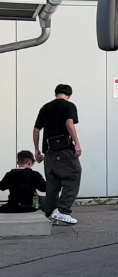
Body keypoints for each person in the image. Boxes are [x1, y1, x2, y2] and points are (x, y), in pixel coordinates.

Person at [34, 84, 81, 225]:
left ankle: (51, 211)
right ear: (69, 95)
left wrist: (36, 150)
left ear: (55, 93)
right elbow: (69, 123)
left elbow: (36, 129)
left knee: (52, 182)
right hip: (64, 150)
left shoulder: (45, 107)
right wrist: (77, 143)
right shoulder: (69, 106)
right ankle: (63, 211)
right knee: (73, 175)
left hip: (49, 152)